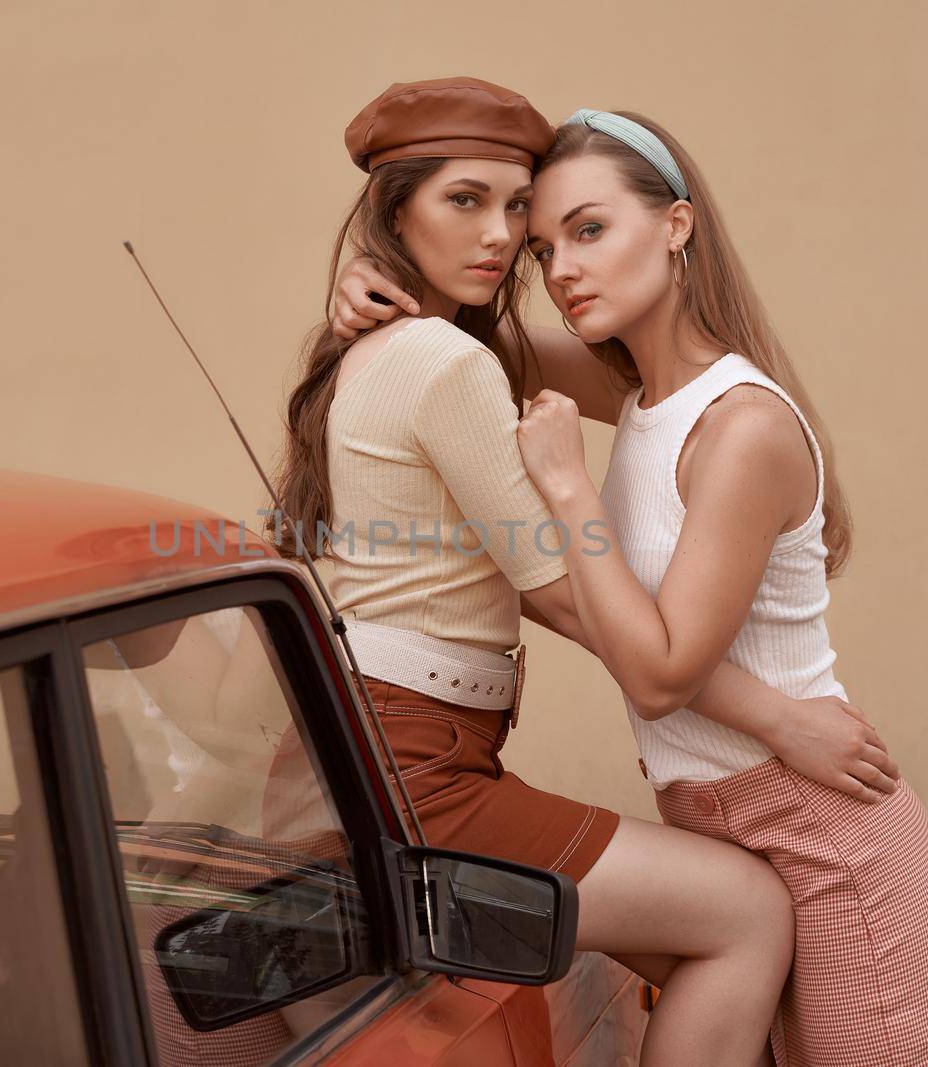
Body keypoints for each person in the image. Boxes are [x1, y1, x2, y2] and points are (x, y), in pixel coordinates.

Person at [271, 76, 817, 1066]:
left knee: (688, 931)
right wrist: (783, 716)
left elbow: (635, 382)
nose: (499, 233)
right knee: (746, 914)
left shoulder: (401, 348)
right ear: (396, 212)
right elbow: (568, 593)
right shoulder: (444, 362)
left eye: (515, 208)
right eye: (463, 200)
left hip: (372, 754)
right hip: (417, 772)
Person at [494, 107, 928, 1066]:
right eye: (543, 248)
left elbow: (658, 670)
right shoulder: (636, 394)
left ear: (676, 223)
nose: (562, 270)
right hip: (727, 824)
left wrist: (568, 484)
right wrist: (374, 294)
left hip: (828, 840)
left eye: (590, 228)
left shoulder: (739, 426)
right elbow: (466, 344)